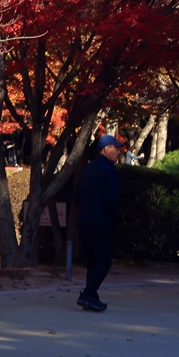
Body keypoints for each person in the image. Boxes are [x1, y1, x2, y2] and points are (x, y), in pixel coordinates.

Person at [75, 133, 124, 312]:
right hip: (102, 221)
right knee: (103, 261)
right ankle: (87, 294)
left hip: (84, 220)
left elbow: (77, 196)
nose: (118, 152)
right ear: (106, 149)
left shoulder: (88, 169)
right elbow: (111, 198)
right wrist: (115, 217)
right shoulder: (109, 170)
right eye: (116, 148)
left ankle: (91, 296)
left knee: (92, 259)